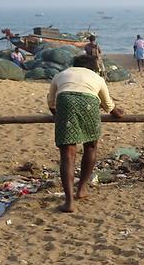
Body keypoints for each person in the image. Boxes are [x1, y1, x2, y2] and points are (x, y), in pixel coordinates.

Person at [48, 54, 124, 213]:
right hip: (89, 103)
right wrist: (118, 112)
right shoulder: (97, 78)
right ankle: (81, 189)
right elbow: (108, 105)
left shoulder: (61, 75)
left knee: (68, 154)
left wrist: (58, 115)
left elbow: (51, 102)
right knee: (90, 146)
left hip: (66, 101)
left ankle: (69, 202)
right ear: (92, 67)